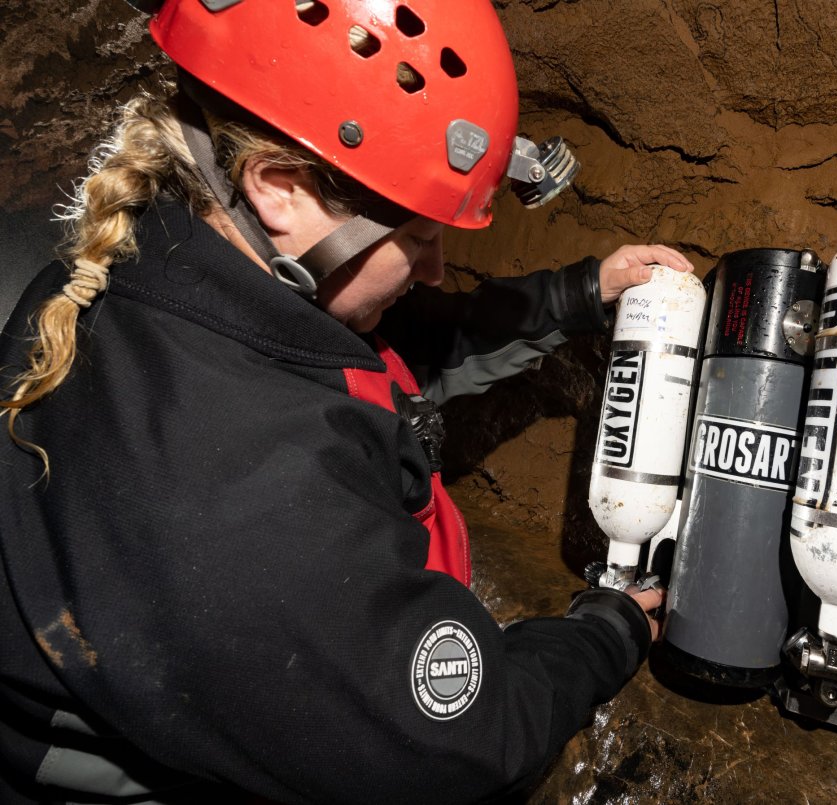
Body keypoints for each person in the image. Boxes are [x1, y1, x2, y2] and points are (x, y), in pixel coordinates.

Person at [0, 1, 694, 802]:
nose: (435, 269)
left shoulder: (156, 275)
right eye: (422, 240)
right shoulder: (244, 495)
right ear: (279, 190)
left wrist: (582, 292)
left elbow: (396, 358)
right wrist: (606, 631)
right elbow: (461, 742)